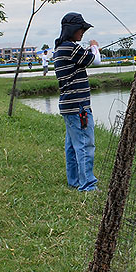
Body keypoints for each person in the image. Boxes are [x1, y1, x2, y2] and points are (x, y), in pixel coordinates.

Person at [53, 13, 100, 192]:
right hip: (78, 105)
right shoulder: (71, 48)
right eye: (81, 29)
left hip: (68, 105)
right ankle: (88, 185)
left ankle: (74, 181)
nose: (83, 32)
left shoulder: (60, 49)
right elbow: (95, 61)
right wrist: (94, 47)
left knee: (72, 146)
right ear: (72, 29)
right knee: (85, 144)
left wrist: (90, 49)